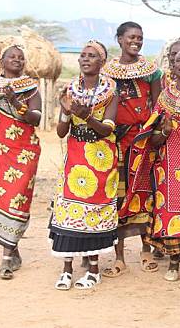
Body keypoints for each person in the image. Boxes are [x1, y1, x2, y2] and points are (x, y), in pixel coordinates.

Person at [129, 48, 180, 289]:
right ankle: (173, 263)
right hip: (167, 163)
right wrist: (163, 130)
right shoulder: (164, 97)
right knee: (167, 211)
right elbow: (152, 138)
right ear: (171, 68)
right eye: (178, 61)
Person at [50, 40, 119, 290]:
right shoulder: (69, 90)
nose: (86, 59)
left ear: (102, 63)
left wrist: (86, 115)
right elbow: (60, 131)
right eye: (83, 55)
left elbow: (107, 129)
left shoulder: (111, 92)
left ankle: (93, 270)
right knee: (68, 210)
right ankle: (66, 270)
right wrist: (67, 111)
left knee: (94, 210)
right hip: (75, 155)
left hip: (101, 158)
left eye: (92, 56)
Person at [100, 21, 162, 277]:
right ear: (119, 39)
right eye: (131, 37)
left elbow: (159, 105)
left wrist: (156, 134)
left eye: (140, 37)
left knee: (145, 193)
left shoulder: (152, 71)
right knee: (118, 196)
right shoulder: (107, 72)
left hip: (144, 140)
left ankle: (146, 251)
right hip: (115, 141)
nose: (136, 41)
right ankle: (119, 257)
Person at [0, 44, 42, 279]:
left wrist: (15, 102)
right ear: (2, 61)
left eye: (21, 57)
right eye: (12, 57)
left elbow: (35, 118)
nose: (17, 60)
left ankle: (6, 258)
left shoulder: (31, 87)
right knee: (1, 198)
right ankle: (10, 250)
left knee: (17, 199)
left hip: (24, 152)